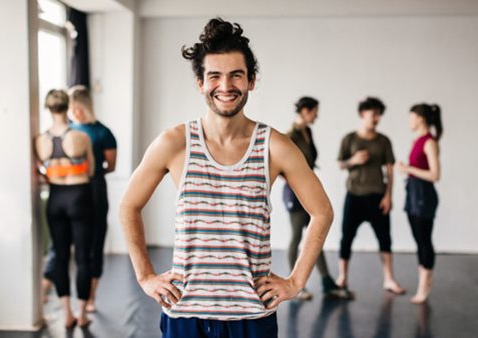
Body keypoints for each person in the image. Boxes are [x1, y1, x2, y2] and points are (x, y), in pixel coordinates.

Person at [120, 18, 334, 338]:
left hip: (251, 315)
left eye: (236, 75)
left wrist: (296, 281)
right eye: (214, 76)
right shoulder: (174, 143)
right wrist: (145, 276)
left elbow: (322, 212)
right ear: (200, 83)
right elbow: (128, 206)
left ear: (251, 80)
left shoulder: (275, 146)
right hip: (186, 313)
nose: (225, 86)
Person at [34, 89, 94, 328]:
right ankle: (82, 314)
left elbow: (41, 170)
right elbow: (90, 171)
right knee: (82, 257)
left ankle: (66, 313)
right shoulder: (80, 137)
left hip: (56, 198)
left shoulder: (40, 140)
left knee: (59, 256)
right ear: (68, 106)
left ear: (48, 109)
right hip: (79, 196)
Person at [283, 96, 351, 300]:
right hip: (295, 193)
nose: (317, 115)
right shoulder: (289, 136)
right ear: (305, 111)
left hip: (309, 189)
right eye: (314, 112)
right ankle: (293, 284)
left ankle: (326, 282)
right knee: (297, 236)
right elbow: (281, 167)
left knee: (315, 235)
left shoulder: (307, 132)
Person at [336, 97, 405, 295]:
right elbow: (341, 164)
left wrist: (388, 196)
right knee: (346, 238)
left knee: (385, 239)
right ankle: (342, 277)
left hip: (377, 197)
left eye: (378, 114)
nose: (376, 118)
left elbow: (390, 170)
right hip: (354, 196)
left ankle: (389, 279)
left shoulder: (384, 141)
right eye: (372, 114)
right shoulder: (349, 139)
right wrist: (353, 160)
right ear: (362, 114)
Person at [68, 85, 117, 312]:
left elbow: (111, 166)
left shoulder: (103, 133)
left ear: (86, 107)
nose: (76, 113)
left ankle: (91, 296)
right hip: (73, 192)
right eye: (72, 108)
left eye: (79, 108)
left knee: (95, 245)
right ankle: (73, 294)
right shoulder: (68, 131)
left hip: (96, 190)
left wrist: (91, 172)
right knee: (78, 247)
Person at [395, 103, 442, 304]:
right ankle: (424, 281)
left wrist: (408, 169)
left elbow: (435, 174)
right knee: (419, 240)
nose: (410, 121)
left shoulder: (429, 142)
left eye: (411, 117)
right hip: (414, 194)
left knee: (424, 240)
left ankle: (425, 285)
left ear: (421, 118)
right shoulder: (418, 140)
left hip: (424, 196)